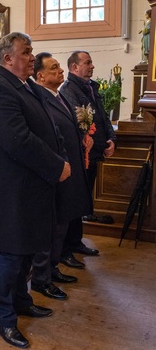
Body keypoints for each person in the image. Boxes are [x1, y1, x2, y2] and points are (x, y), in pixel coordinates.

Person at [0, 32, 71, 348]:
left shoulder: (26, 85)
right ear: (8, 58)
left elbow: (47, 127)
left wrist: (59, 157)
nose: (32, 57)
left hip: (33, 186)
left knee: (28, 250)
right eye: (27, 52)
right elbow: (19, 140)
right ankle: (2, 320)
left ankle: (21, 300)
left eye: (31, 51)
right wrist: (56, 165)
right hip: (14, 190)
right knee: (10, 255)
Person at [31, 52, 93, 301]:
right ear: (40, 76)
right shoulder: (41, 99)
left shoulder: (58, 96)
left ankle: (52, 269)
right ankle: (41, 278)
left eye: (59, 66)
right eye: (54, 67)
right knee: (51, 229)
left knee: (61, 226)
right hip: (54, 174)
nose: (60, 71)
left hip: (67, 170)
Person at [59, 50, 116, 265]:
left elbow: (102, 116)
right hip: (80, 154)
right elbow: (75, 122)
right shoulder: (69, 90)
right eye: (87, 63)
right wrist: (85, 138)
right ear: (75, 67)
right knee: (74, 201)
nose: (92, 66)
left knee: (83, 200)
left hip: (94, 153)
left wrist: (111, 139)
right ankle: (65, 248)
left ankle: (76, 241)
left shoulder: (91, 88)